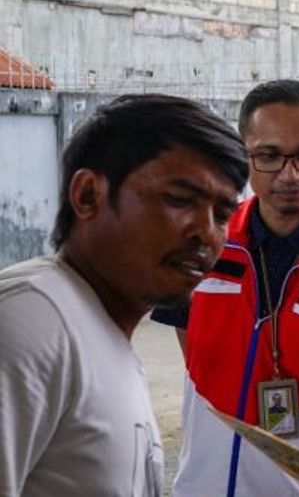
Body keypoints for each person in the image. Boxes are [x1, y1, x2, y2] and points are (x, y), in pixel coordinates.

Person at [0, 94, 246, 497]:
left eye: (222, 214)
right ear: (87, 195)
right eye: (180, 200)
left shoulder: (98, 327)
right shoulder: (32, 319)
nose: (207, 233)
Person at [151, 80, 299, 497]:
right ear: (244, 153)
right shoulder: (200, 240)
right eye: (268, 155)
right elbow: (191, 347)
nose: (290, 175)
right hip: (203, 486)